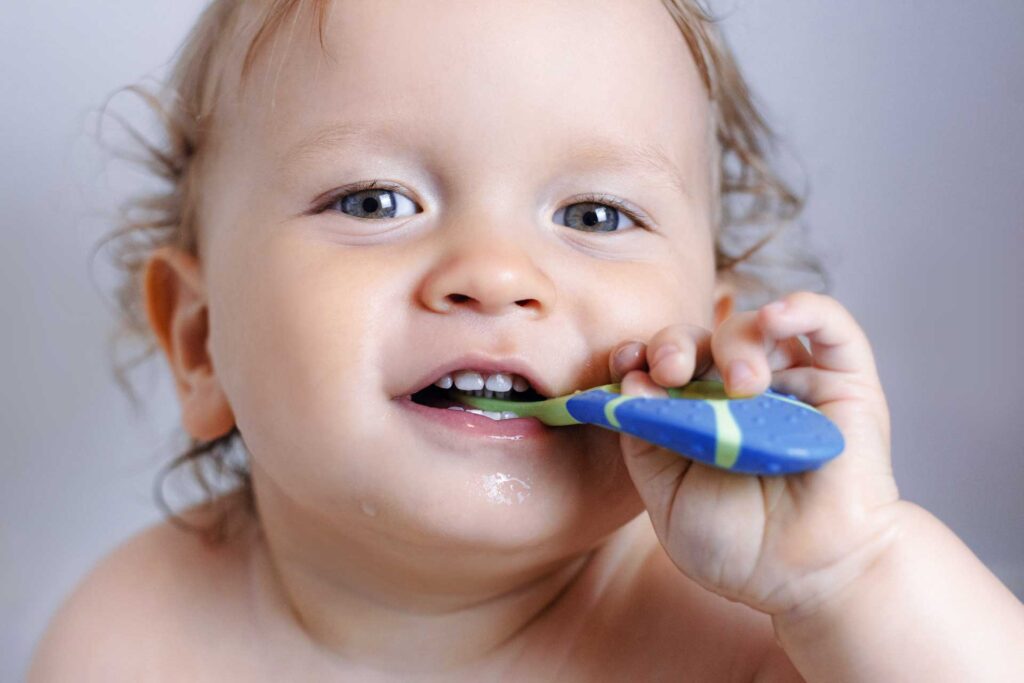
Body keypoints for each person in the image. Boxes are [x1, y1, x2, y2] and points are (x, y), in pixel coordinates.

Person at [29, 1, 1024, 680]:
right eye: (376, 199)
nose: (498, 274)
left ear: (709, 355)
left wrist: (852, 571)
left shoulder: (760, 632)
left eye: (593, 215)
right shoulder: (135, 638)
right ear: (202, 342)